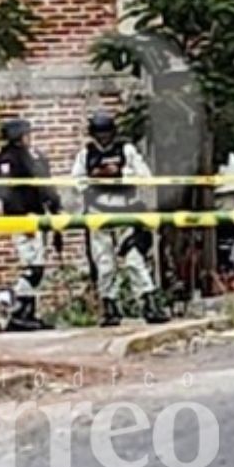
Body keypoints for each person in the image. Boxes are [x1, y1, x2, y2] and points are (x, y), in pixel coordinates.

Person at [72, 111, 169, 327]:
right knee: (105, 264)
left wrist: (119, 174)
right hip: (99, 213)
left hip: (127, 211)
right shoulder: (85, 155)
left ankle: (149, 303)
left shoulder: (126, 151)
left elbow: (145, 177)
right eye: (99, 135)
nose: (103, 139)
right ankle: (110, 307)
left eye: (106, 134)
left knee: (134, 260)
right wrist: (95, 177)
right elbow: (77, 182)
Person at [0, 119, 63, 332]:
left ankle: (29, 312)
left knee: (37, 266)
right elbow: (6, 192)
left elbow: (44, 187)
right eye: (26, 134)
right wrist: (22, 217)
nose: (29, 137)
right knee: (32, 267)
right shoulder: (8, 160)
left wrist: (55, 208)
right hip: (24, 219)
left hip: (38, 215)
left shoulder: (31, 156)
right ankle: (17, 311)